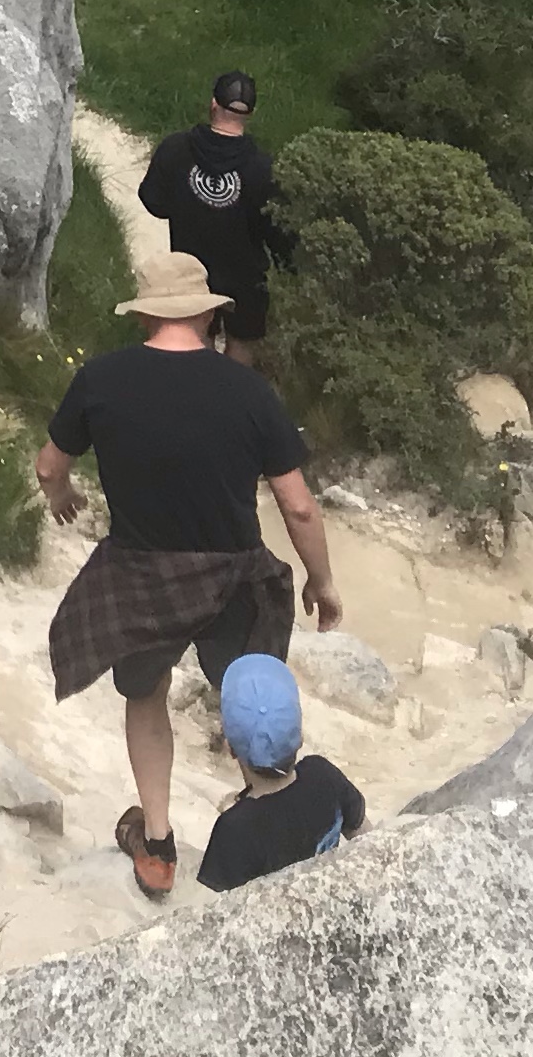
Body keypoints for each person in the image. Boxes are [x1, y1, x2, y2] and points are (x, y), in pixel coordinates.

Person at [36, 247, 343, 896]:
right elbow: (298, 506)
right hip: (233, 576)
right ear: (207, 316)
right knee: (251, 694)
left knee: (146, 694)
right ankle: (278, 822)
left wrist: (62, 497)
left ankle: (157, 845)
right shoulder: (248, 390)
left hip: (142, 574)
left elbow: (47, 466)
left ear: (144, 316)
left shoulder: (100, 380)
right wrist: (321, 581)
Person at [137, 72, 289, 363]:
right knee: (241, 345)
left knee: (195, 338)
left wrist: (188, 204)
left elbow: (153, 201)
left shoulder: (176, 149)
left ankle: (198, 386)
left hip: (190, 270)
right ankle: (231, 390)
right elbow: (277, 232)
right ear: (250, 114)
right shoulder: (264, 168)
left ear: (213, 104)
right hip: (245, 276)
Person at [197, 652, 366, 893]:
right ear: (300, 737)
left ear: (230, 748)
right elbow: (367, 840)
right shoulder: (324, 775)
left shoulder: (234, 830)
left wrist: (236, 811)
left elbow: (222, 908)